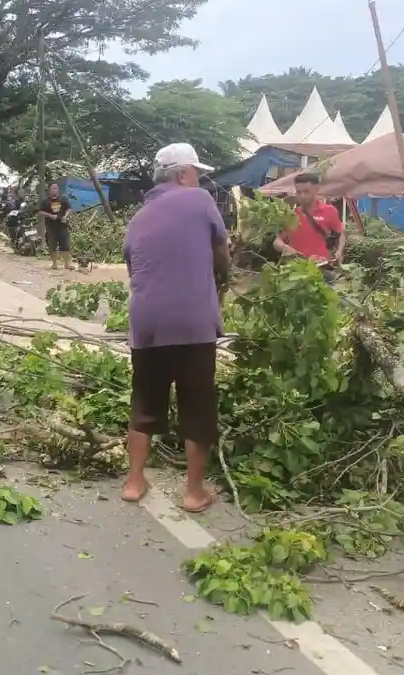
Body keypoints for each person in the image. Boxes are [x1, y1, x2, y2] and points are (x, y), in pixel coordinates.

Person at [121, 143, 230, 510]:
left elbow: (134, 271)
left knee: (145, 401)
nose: (199, 177)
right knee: (197, 404)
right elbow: (221, 251)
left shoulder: (138, 217)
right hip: (192, 321)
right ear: (183, 173)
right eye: (196, 170)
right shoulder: (199, 199)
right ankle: (194, 492)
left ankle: (134, 481)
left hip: (147, 321)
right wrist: (222, 278)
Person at [273, 172, 345, 268]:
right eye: (299, 192)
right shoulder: (290, 215)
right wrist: (284, 247)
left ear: (316, 189)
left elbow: (341, 235)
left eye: (306, 191)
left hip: (321, 267)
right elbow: (277, 241)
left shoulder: (330, 211)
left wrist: (339, 251)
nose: (302, 196)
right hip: (295, 269)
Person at [39, 182, 73, 269]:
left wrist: (65, 216)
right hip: (51, 227)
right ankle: (54, 263)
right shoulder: (45, 201)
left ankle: (67, 264)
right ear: (49, 190)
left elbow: (69, 209)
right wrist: (50, 215)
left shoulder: (63, 199)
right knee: (52, 246)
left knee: (65, 245)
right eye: (53, 188)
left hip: (62, 226)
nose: (56, 189)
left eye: (57, 188)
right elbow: (40, 211)